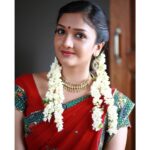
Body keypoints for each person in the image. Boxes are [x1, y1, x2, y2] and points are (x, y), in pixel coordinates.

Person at [15, 1, 134, 150]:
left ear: (98, 47)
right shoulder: (22, 89)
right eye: (61, 31)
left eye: (79, 35)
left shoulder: (116, 106)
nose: (66, 43)